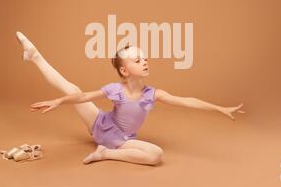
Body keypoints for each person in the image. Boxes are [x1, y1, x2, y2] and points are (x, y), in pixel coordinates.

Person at [15, 31, 245, 166]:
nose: (144, 62)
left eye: (144, 58)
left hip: (121, 140)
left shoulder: (152, 94)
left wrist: (219, 108)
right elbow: (84, 96)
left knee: (156, 155)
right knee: (71, 87)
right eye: (137, 60)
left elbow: (186, 100)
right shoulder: (115, 89)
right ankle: (35, 56)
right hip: (100, 124)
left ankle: (105, 153)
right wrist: (59, 101)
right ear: (125, 71)